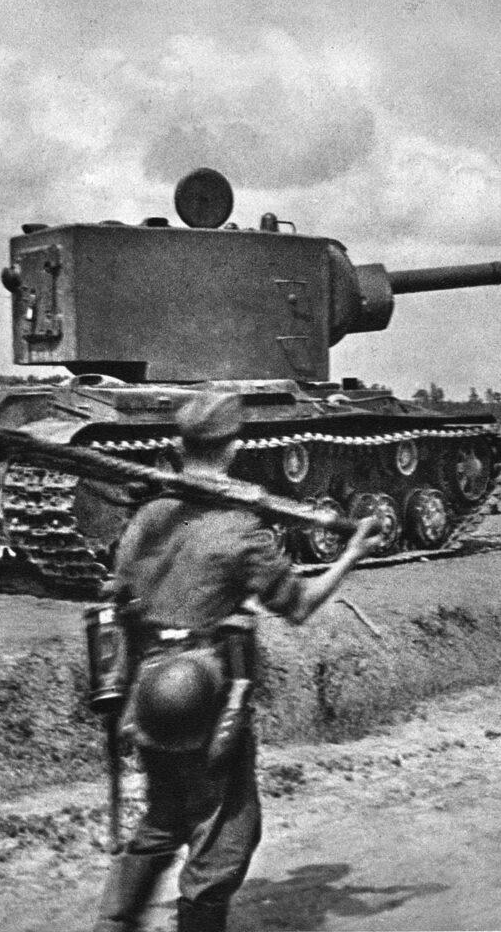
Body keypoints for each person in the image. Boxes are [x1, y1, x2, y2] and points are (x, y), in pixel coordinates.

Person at [93, 391, 381, 932]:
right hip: (206, 696)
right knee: (227, 832)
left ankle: (113, 923)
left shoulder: (148, 517)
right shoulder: (240, 530)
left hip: (149, 692)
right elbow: (298, 605)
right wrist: (349, 556)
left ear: (179, 445)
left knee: (164, 817)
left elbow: (120, 593)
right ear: (234, 447)